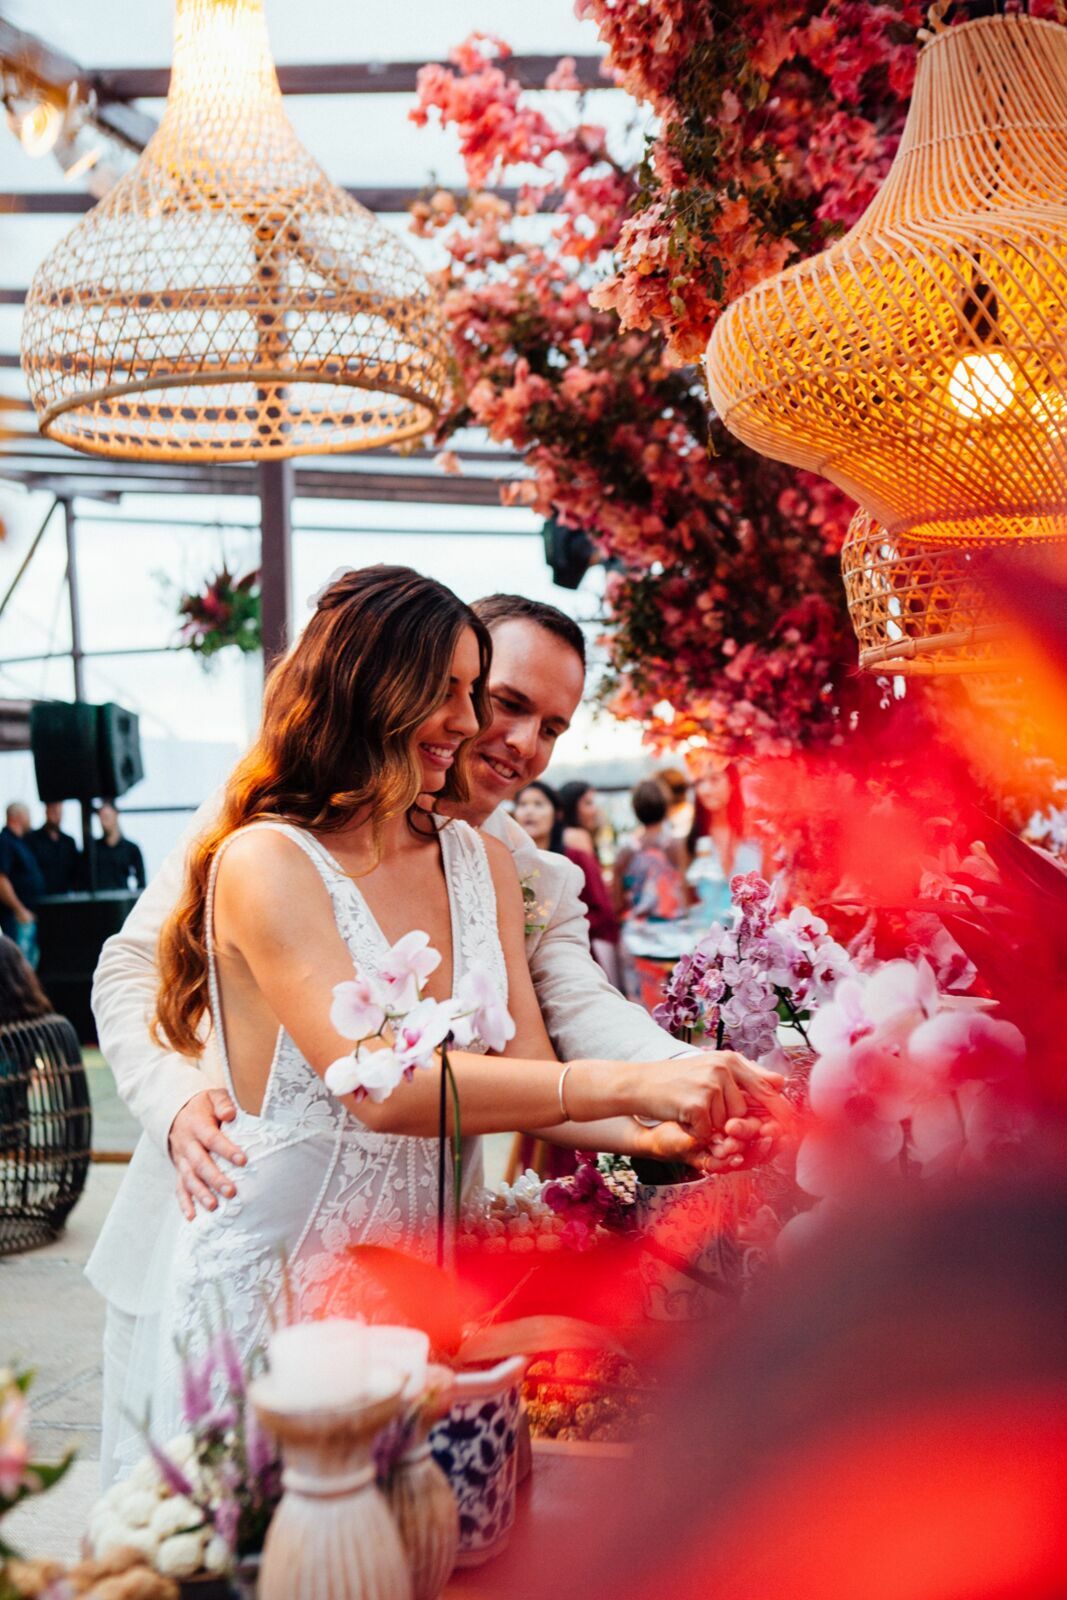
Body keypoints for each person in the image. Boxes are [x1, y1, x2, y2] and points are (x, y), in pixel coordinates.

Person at [90, 568, 784, 1485]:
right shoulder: (264, 839)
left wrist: (671, 1122)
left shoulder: (496, 864)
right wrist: (178, 1101)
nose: (507, 738)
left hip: (409, 1264)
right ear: (384, 682)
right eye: (483, 697)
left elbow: (559, 1039)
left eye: (551, 726)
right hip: (246, 1222)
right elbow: (144, 969)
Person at [613, 779, 691, 1011]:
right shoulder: (676, 845)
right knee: (678, 1005)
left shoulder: (626, 849)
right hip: (675, 935)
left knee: (644, 1006)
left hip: (637, 935)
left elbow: (616, 900)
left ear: (635, 810)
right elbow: (684, 892)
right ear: (667, 806)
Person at [555, 780, 621, 984]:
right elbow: (598, 899)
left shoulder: (562, 837)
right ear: (572, 806)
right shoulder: (577, 837)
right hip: (591, 932)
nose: (595, 810)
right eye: (588, 803)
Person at [685, 766, 762, 926]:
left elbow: (771, 895)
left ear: (732, 782)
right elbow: (686, 902)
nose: (705, 790)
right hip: (706, 939)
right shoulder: (691, 842)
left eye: (714, 779)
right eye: (699, 782)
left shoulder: (757, 835)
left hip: (753, 940)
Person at [0, 804, 45, 966]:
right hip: (16, 920)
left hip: (27, 917)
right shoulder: (5, 841)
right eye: (27, 815)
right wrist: (19, 909)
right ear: (17, 817)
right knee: (18, 968)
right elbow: (1, 880)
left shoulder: (21, 842)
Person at [28, 801, 83, 896]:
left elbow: (76, 871)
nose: (56, 816)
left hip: (64, 896)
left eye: (59, 812)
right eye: (53, 811)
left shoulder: (68, 841)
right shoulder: (32, 839)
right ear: (46, 811)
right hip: (39, 897)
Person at [91, 803, 146, 892]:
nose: (104, 822)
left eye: (107, 817)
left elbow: (141, 882)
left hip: (123, 903)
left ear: (116, 815)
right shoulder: (94, 849)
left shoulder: (131, 849)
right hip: (99, 903)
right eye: (102, 818)